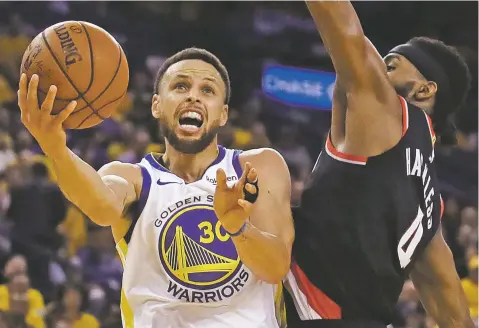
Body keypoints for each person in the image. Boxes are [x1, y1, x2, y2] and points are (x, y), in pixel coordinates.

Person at [17, 47, 294, 328]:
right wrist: (57, 150)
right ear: (156, 105)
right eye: (181, 86)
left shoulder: (257, 167)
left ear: (222, 114)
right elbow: (101, 206)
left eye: (208, 90)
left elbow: (276, 269)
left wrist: (238, 228)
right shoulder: (134, 178)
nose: (193, 96)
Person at [285, 1, 474, 327]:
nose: (372, 73)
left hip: (311, 308)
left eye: (390, 65)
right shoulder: (432, 206)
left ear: (425, 89)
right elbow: (454, 314)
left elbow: (343, 28)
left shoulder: (391, 113)